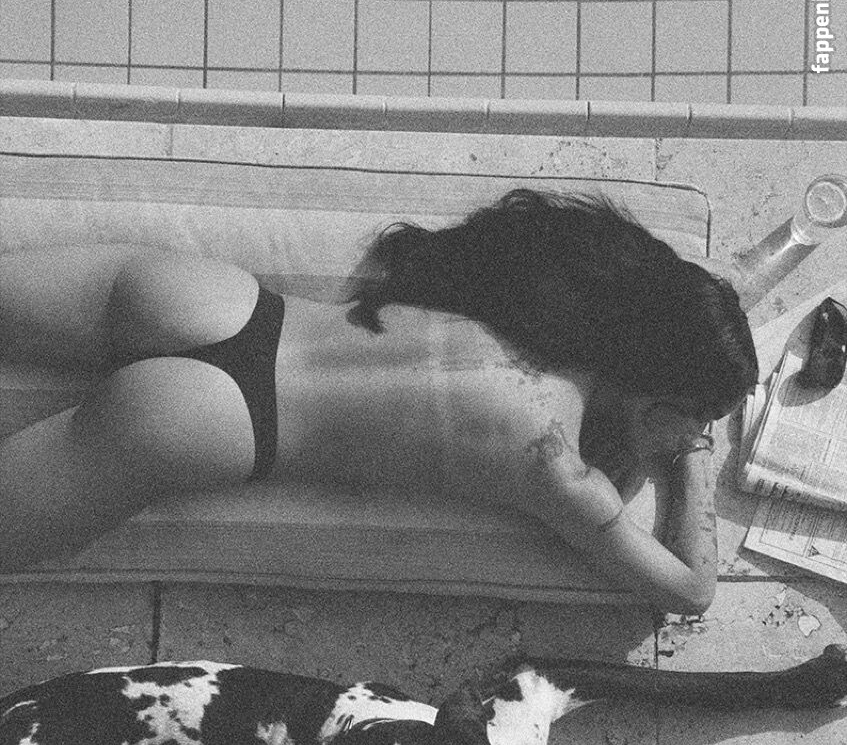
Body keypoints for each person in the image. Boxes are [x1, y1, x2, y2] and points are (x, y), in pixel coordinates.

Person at [0, 189, 757, 612]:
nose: (693, 430)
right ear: (664, 390)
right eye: (696, 415)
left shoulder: (530, 298)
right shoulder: (554, 467)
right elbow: (689, 590)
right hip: (215, 422)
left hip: (211, 301)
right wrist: (688, 460)